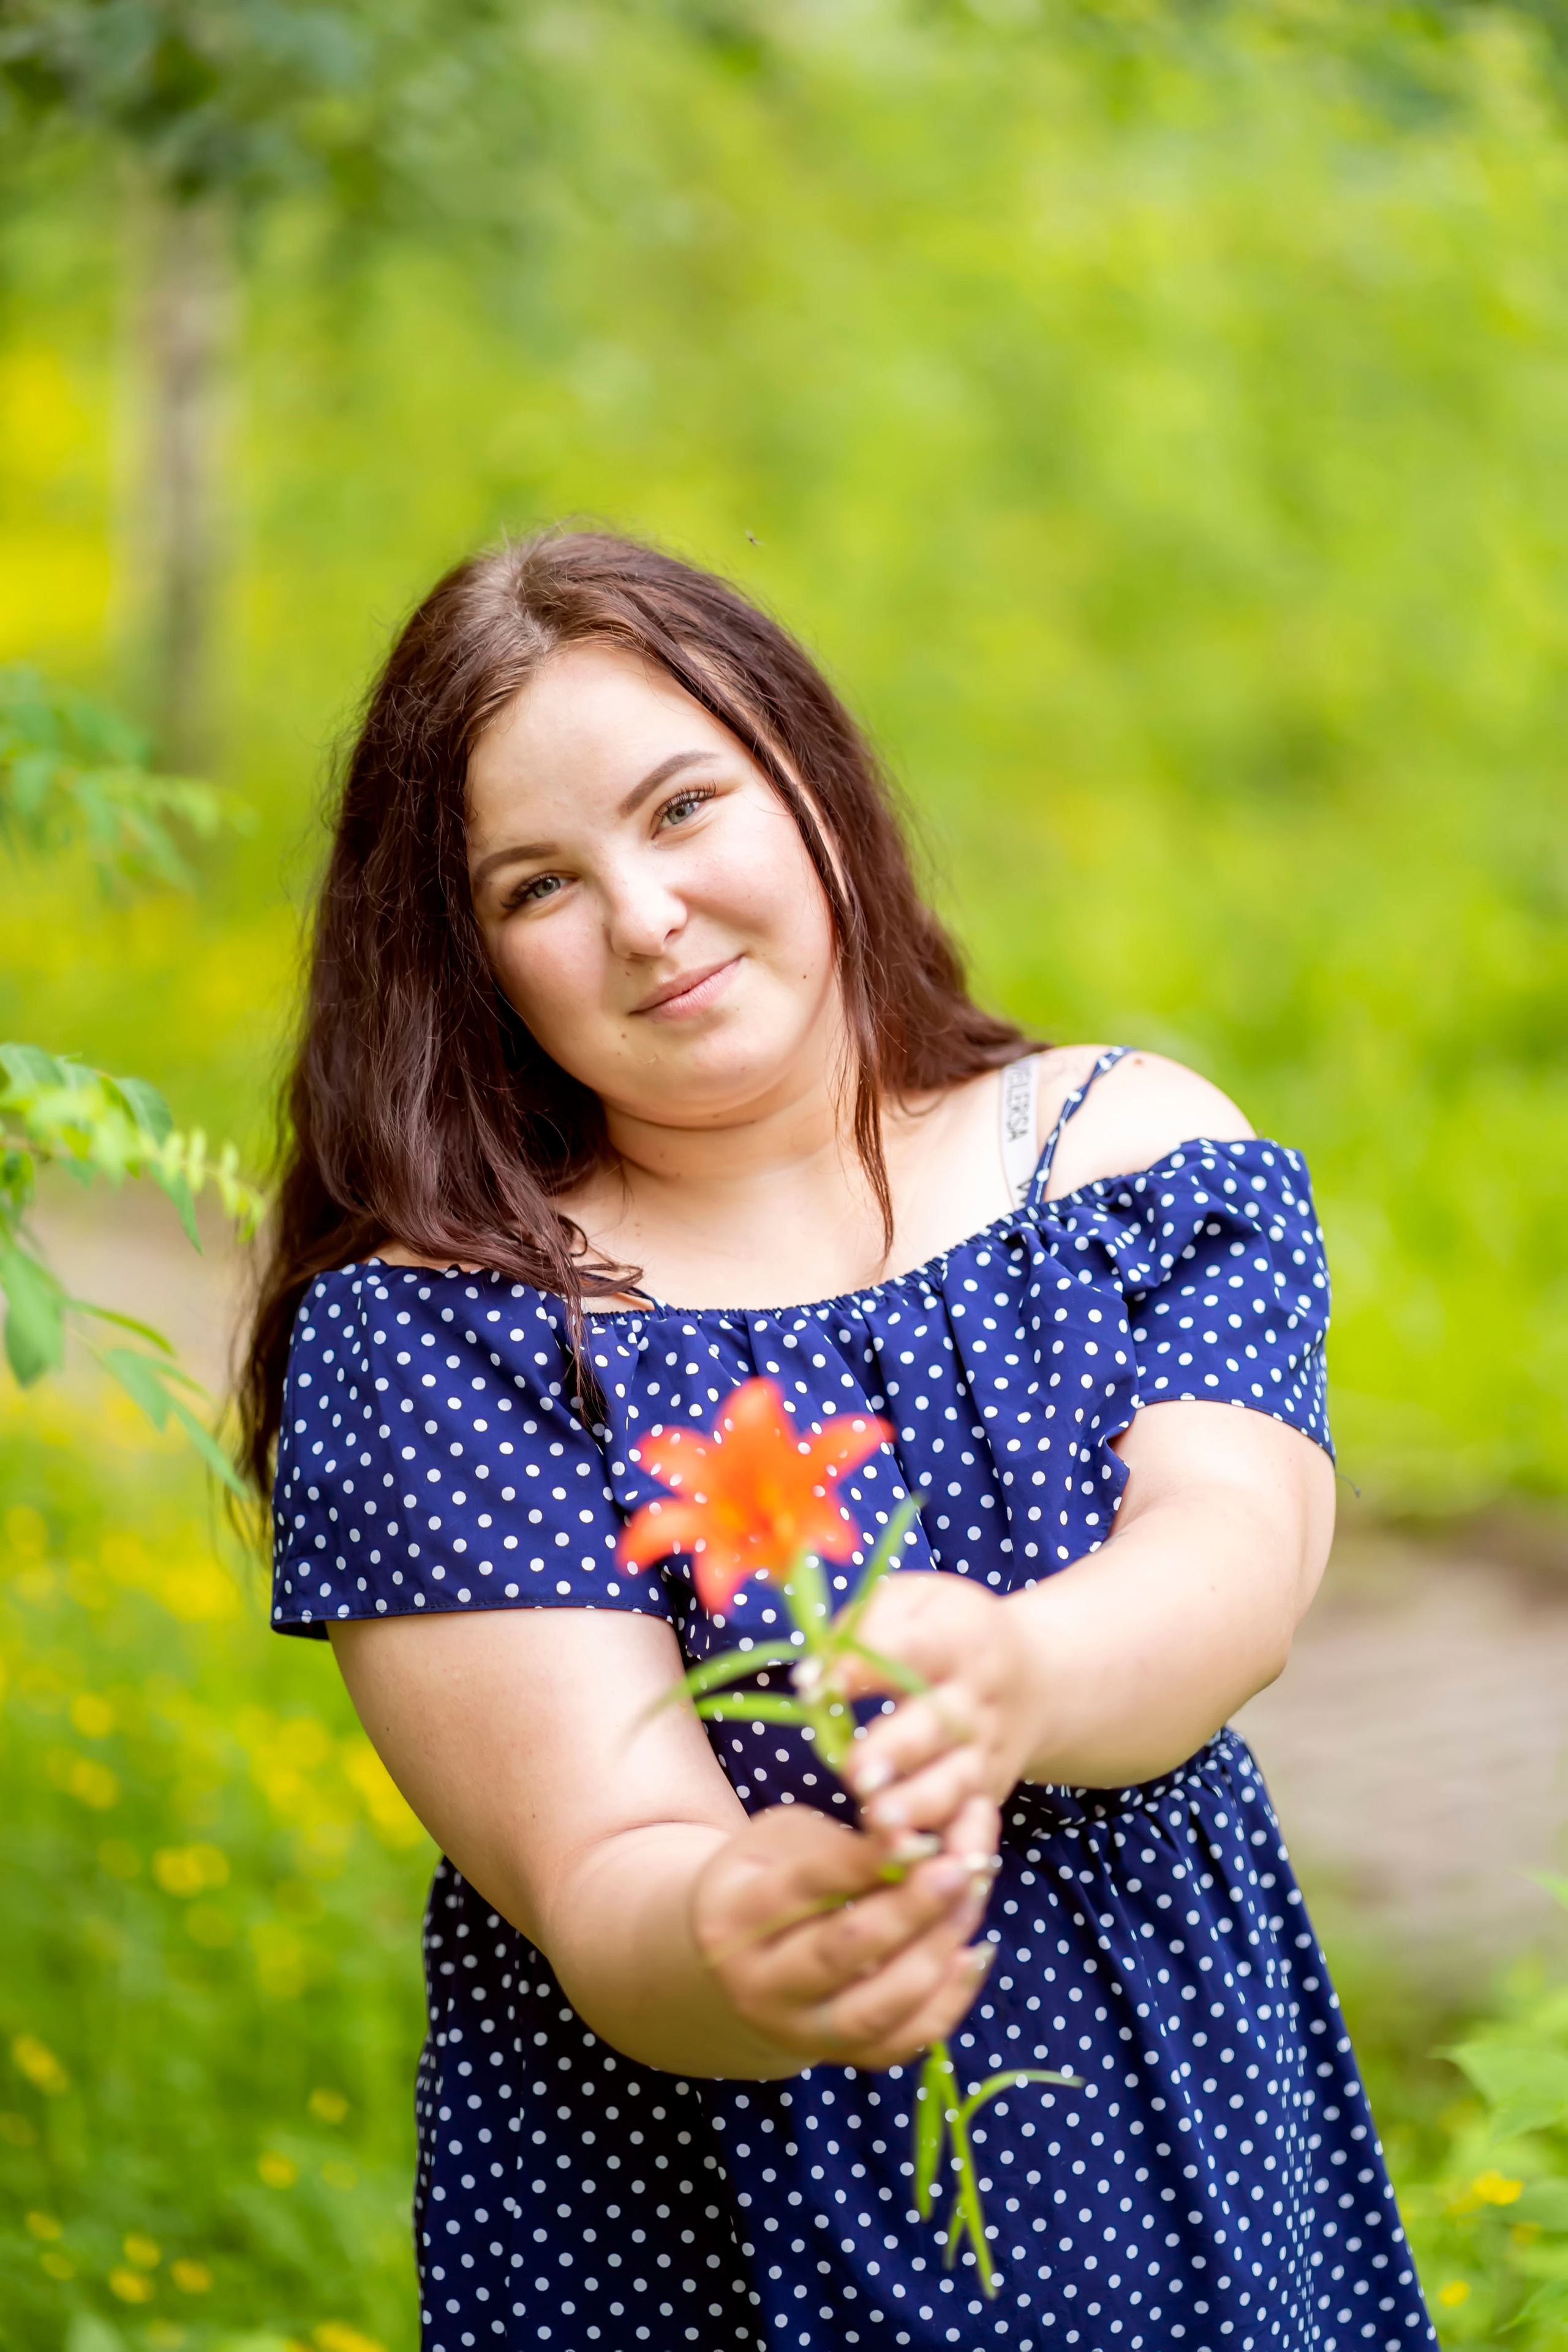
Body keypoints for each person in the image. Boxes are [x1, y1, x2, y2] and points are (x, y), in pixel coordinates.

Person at [244, 530, 1436, 2352]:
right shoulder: (446, 1339)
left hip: (1171, 2176)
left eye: (683, 807)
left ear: (808, 777)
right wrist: (742, 1943)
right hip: (698, 2229)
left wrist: (1025, 1673)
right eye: (539, 886)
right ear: (466, 962)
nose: (647, 917)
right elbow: (608, 1859)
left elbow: (1237, 1556)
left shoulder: (1123, 1163)